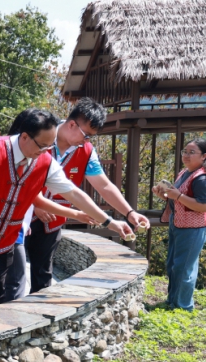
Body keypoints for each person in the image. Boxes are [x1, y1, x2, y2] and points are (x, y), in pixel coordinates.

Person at [0, 109, 133, 319]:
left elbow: (73, 193)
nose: (45, 152)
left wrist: (109, 222)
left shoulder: (45, 162)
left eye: (49, 147)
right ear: (25, 136)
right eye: (42, 146)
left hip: (4, 239)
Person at [27, 98, 151, 293]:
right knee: (7, 273)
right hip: (21, 215)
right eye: (86, 135)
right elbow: (18, 176)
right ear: (72, 124)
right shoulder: (41, 135)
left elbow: (103, 185)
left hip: (52, 221)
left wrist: (129, 212)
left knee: (43, 276)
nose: (87, 141)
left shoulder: (86, 151)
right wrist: (35, 204)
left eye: (90, 137)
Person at [153, 139, 206, 311]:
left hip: (194, 228)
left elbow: (205, 206)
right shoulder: (186, 172)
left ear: (204, 156)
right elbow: (177, 198)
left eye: (191, 152)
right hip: (179, 224)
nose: (186, 156)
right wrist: (163, 194)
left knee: (183, 268)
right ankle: (173, 301)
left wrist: (178, 196)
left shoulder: (203, 179)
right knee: (174, 265)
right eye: (184, 151)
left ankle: (182, 307)